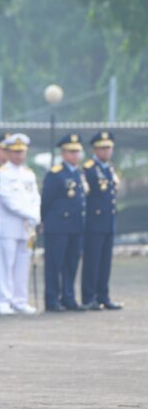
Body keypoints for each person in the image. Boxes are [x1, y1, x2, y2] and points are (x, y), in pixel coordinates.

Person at [0, 133, 40, 315]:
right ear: (8, 153)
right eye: (15, 152)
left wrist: (36, 215)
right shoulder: (2, 173)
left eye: (22, 152)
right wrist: (30, 214)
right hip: (8, 227)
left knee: (23, 263)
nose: (19, 156)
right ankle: (3, 300)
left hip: (26, 227)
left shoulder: (29, 174)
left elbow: (35, 197)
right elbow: (8, 200)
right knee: (5, 264)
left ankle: (20, 299)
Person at [41, 134, 86, 312]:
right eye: (71, 152)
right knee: (55, 265)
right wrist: (44, 220)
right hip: (58, 226)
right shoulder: (56, 174)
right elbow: (46, 201)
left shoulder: (78, 173)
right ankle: (52, 299)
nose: (75, 155)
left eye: (77, 152)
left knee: (71, 264)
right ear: (63, 153)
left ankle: (68, 297)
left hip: (76, 226)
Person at [81, 131, 122, 310]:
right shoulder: (89, 169)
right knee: (92, 262)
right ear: (95, 150)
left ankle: (103, 296)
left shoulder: (109, 169)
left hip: (108, 222)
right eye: (102, 148)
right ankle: (89, 297)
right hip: (94, 223)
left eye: (109, 148)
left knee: (105, 262)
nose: (106, 151)